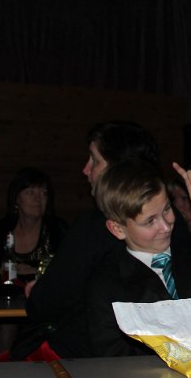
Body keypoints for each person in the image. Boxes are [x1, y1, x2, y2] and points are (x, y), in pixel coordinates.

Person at [45, 156, 191, 357]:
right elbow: (114, 363)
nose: (166, 225)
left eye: (167, 210)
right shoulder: (108, 285)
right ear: (118, 229)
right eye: (150, 221)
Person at [11, 121, 179, 359]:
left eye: (94, 160)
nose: (85, 169)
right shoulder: (174, 221)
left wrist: (40, 291)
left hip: (85, 363)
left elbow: (45, 304)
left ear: (119, 170)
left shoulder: (95, 226)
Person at [0, 167, 67, 279]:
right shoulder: (2, 229)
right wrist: (13, 272)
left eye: (43, 193)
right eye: (30, 192)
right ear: (16, 198)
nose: (38, 199)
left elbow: (72, 267)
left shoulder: (57, 229)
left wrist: (36, 272)